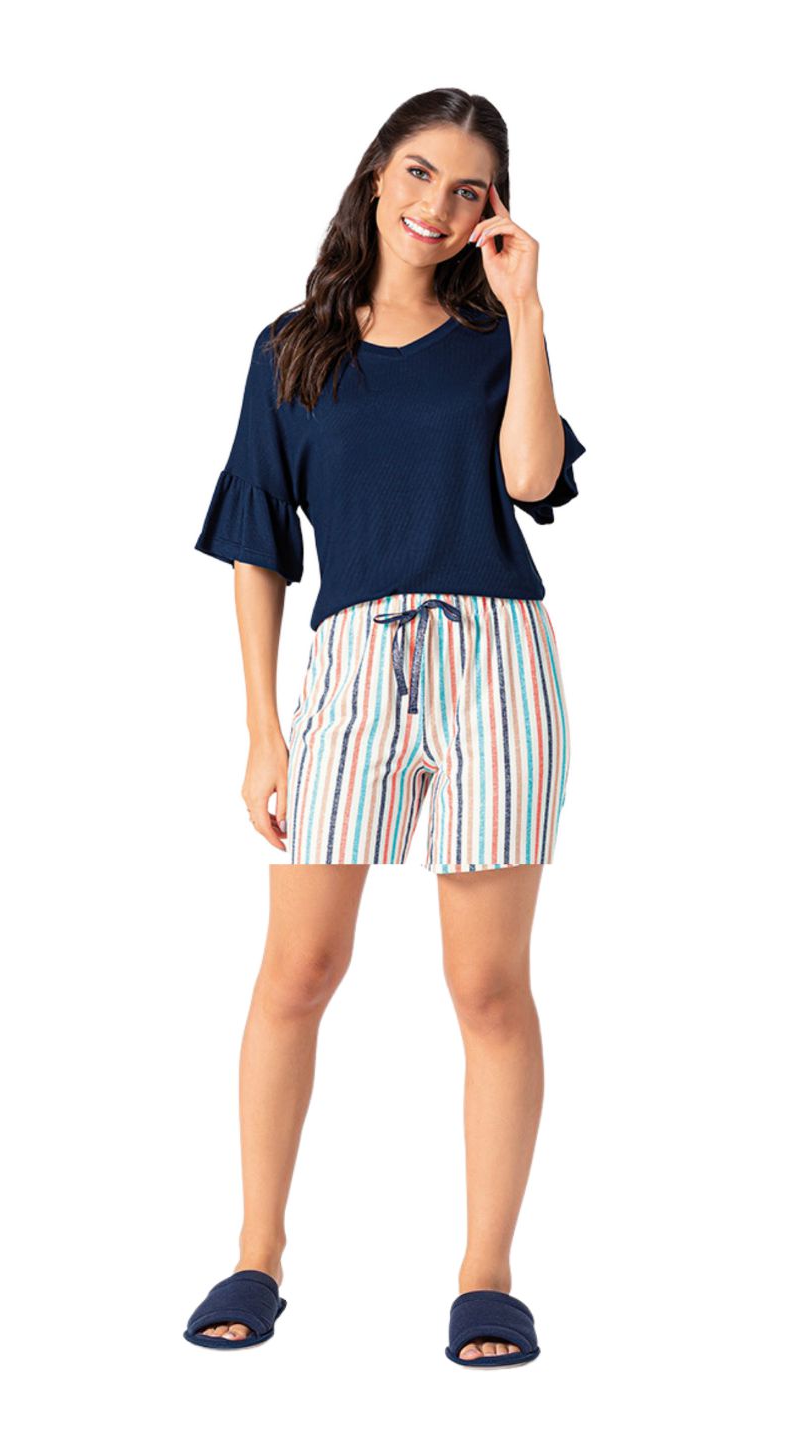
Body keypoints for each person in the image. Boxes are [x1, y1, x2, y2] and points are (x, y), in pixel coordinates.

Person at [184, 88, 585, 1368]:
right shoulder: (291, 351)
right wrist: (264, 731)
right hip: (351, 668)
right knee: (298, 969)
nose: (437, 205)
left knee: (488, 987)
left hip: (495, 659)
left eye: (469, 189)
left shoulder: (492, 339)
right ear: (375, 177)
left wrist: (527, 312)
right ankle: (257, 1252)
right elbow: (258, 546)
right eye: (419, 173)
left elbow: (532, 478)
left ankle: (486, 1277)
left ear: (492, 211)